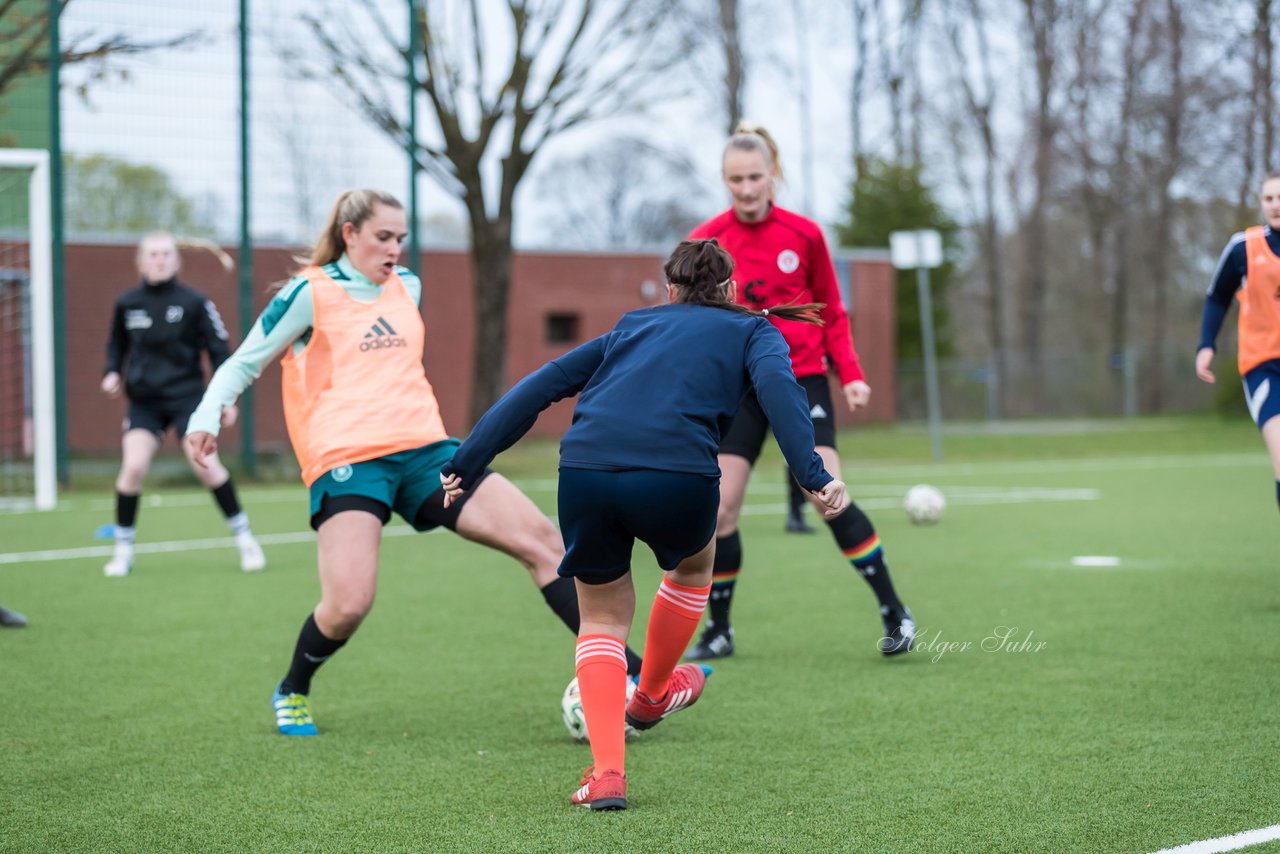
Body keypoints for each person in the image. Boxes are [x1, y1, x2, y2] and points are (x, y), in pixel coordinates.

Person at [183, 189, 640, 737]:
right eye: (383, 237)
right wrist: (205, 417)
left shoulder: (409, 288)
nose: (395, 248)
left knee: (543, 542)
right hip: (348, 460)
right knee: (348, 603)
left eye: (401, 238)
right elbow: (243, 361)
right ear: (349, 234)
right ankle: (293, 688)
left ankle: (637, 678)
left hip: (428, 452)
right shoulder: (310, 292)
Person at [440, 239, 849, 810]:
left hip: (586, 471)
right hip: (677, 477)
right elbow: (784, 398)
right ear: (730, 290)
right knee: (692, 568)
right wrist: (812, 473)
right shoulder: (756, 331)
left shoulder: (632, 325)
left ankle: (607, 775)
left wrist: (467, 460)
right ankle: (653, 694)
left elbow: (540, 386)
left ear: (670, 290)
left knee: (602, 618)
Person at [685, 123, 915, 660]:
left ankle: (894, 611)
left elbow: (832, 311)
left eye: (754, 177)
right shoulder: (707, 239)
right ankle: (720, 630)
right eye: (735, 179)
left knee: (828, 494)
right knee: (719, 512)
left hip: (800, 378)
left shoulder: (805, 234)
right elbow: (692, 323)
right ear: (724, 179)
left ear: (774, 175)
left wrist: (851, 373)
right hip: (738, 387)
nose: (745, 189)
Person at [101, 231, 265, 577]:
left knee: (206, 467)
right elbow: (116, 345)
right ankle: (123, 551)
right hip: (144, 402)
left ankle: (246, 539)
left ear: (176, 261)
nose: (160, 260)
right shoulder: (127, 303)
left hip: (188, 400)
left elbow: (221, 352)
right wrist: (112, 372)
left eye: (166, 254)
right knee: (132, 469)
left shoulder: (194, 302)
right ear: (141, 261)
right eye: (153, 254)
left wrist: (226, 399)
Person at [1196, 171, 1280, 514]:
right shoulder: (1243, 247)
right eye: (1269, 198)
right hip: (1264, 365)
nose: (1276, 205)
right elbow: (1217, 297)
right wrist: (1206, 345)